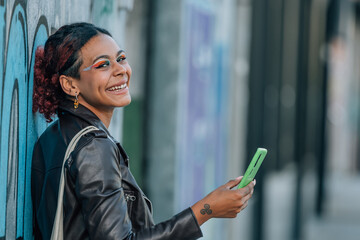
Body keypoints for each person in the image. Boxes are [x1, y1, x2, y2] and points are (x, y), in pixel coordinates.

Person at [31, 22, 255, 240]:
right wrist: (206, 210)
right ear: (70, 85)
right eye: (102, 65)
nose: (120, 70)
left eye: (121, 58)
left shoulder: (52, 136)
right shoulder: (95, 147)